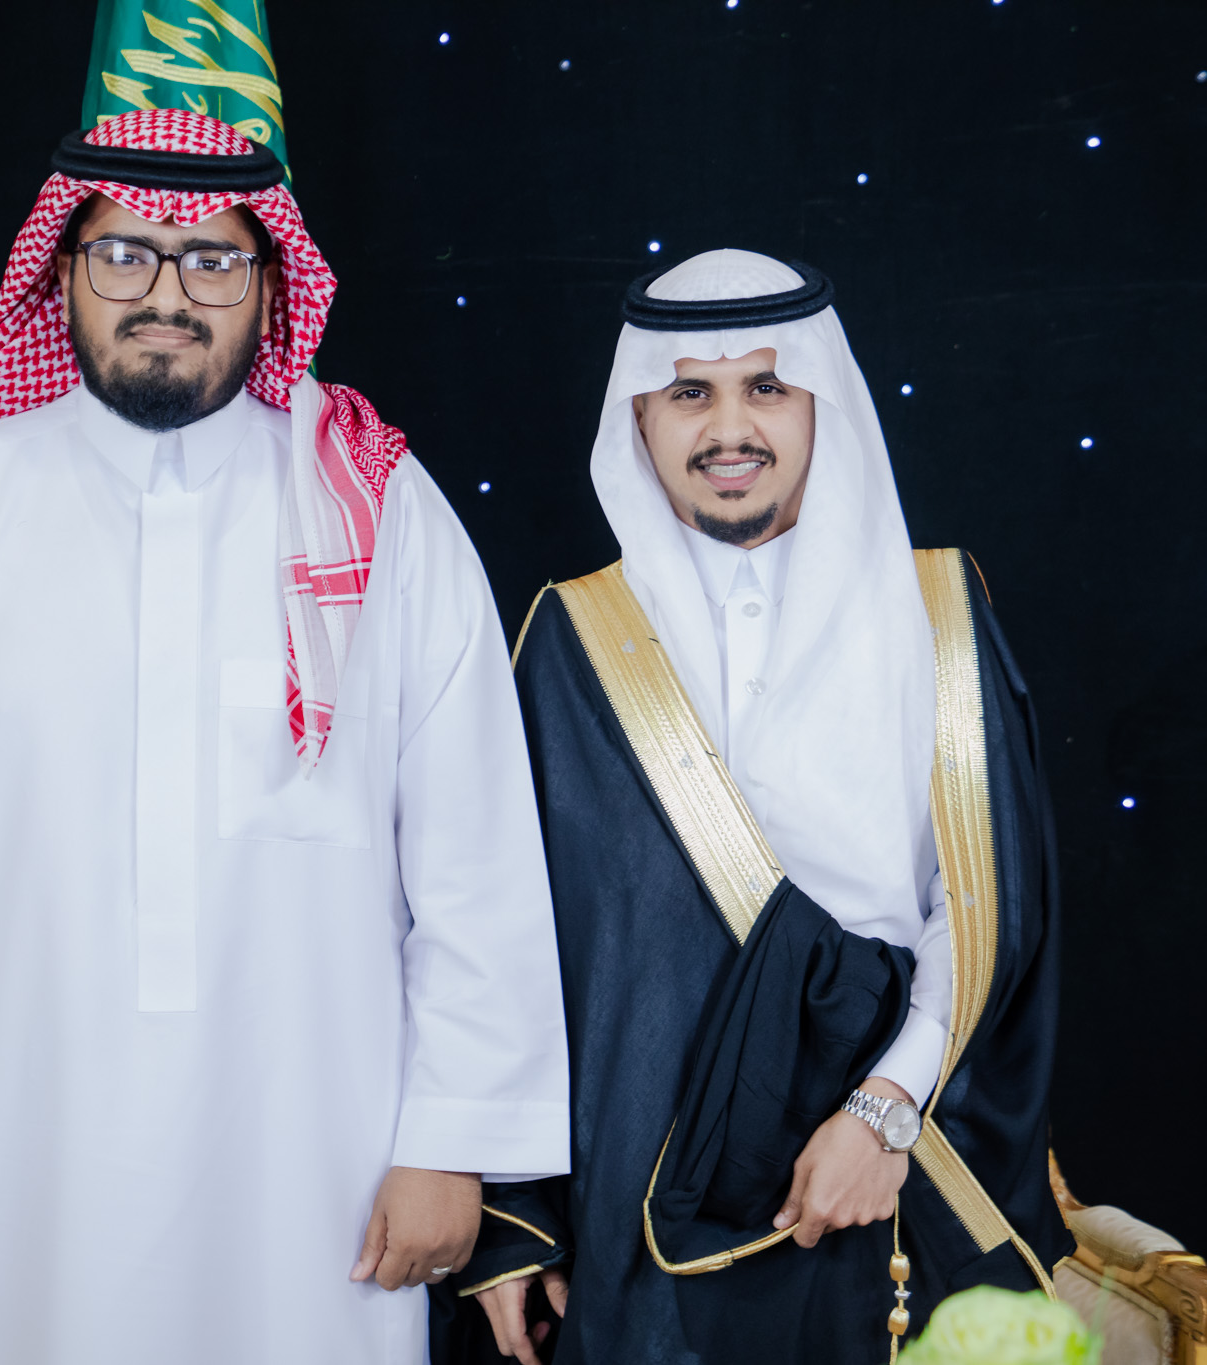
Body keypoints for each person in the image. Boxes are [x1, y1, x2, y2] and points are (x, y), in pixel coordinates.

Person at [0, 109, 569, 1362]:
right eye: (124, 254)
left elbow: (474, 847)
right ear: (62, 273)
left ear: (270, 284)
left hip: (321, 1178)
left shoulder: (378, 507)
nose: (166, 295)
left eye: (211, 260)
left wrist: (453, 1139)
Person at [442, 250, 1070, 1364]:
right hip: (641, 1189)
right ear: (638, 418)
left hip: (891, 1173)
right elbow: (512, 938)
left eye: (766, 387)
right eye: (689, 391)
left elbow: (988, 906)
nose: (728, 428)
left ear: (823, 404)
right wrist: (517, 1217)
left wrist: (884, 1114)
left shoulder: (937, 612)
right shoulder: (574, 638)